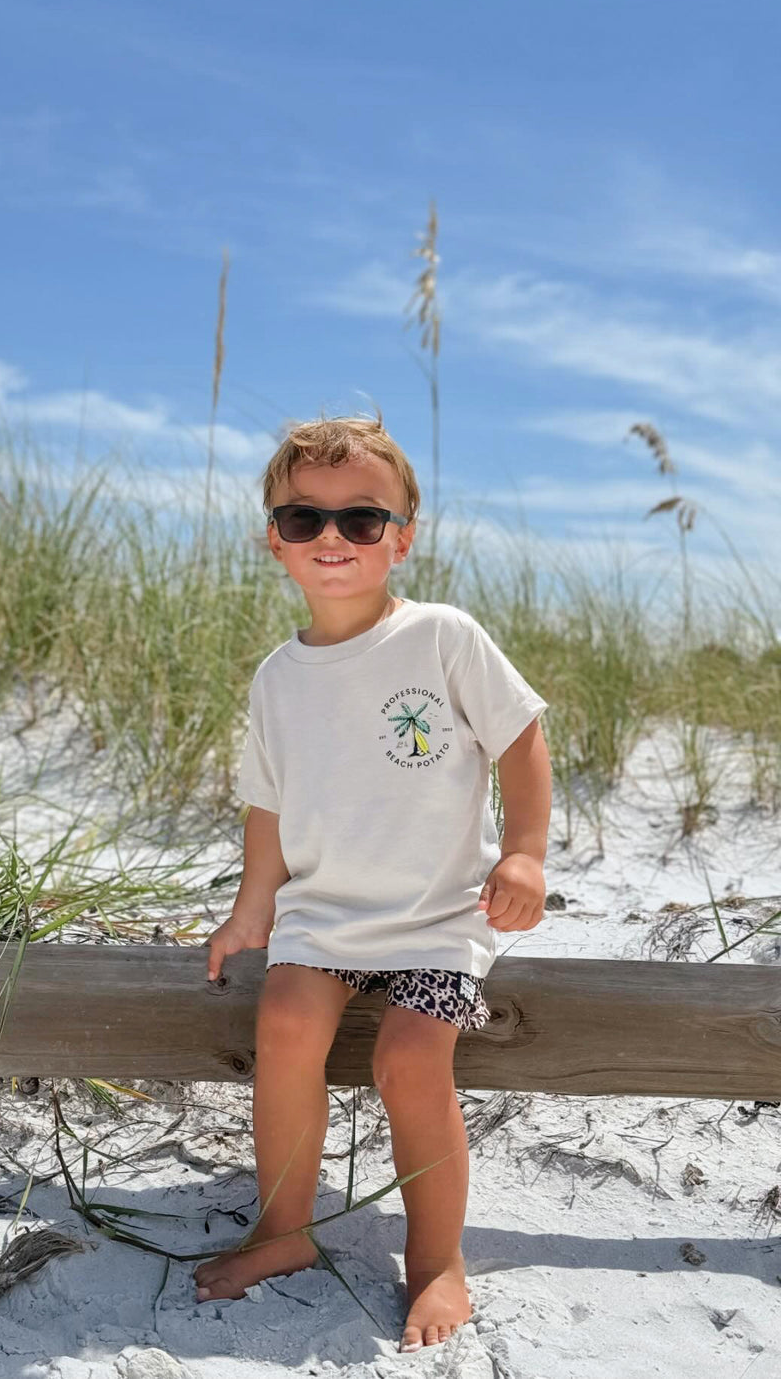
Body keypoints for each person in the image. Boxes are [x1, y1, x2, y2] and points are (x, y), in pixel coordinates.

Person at [195, 414, 552, 1353]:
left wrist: (524, 852)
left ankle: (437, 1259)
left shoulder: (443, 638)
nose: (333, 541)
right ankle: (284, 1233)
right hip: (323, 917)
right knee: (283, 1023)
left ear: (403, 535)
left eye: (361, 520)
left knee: (406, 1057)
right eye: (305, 521)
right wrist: (249, 912)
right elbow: (268, 809)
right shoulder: (279, 678)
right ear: (274, 539)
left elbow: (521, 739)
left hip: (437, 919)